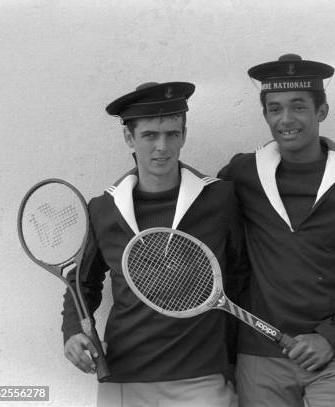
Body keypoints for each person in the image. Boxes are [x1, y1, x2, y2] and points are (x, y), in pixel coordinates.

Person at [219, 54, 335, 407]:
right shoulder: (243, 173)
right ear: (266, 115)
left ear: (321, 111)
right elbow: (191, 197)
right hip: (259, 357)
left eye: (298, 107)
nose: (286, 120)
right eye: (275, 109)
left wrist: (331, 337)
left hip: (333, 356)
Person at [61, 82, 246, 407]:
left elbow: (241, 276)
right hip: (124, 378)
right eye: (149, 136)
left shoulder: (219, 199)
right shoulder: (104, 209)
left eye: (172, 134)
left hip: (201, 380)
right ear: (129, 138)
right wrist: (73, 331)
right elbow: (82, 284)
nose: (162, 147)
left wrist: (233, 356)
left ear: (184, 135)